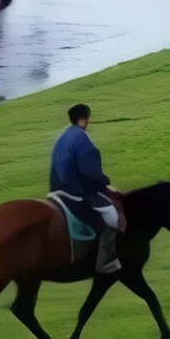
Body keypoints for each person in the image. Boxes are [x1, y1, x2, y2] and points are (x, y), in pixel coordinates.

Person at [49, 101, 121, 273]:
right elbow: (89, 172)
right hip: (74, 190)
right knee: (111, 215)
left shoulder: (63, 135)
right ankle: (106, 262)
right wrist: (103, 182)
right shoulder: (81, 138)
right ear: (84, 119)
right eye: (87, 118)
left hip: (56, 188)